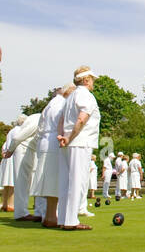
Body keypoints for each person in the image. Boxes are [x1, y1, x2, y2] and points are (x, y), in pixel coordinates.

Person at [57, 66, 101, 230]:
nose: (93, 83)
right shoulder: (85, 95)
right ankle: (71, 221)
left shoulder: (70, 97)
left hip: (68, 142)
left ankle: (63, 218)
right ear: (86, 80)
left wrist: (62, 136)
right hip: (79, 142)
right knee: (77, 180)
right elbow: (82, 119)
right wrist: (69, 137)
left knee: (65, 181)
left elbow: (61, 120)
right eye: (92, 80)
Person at [32, 86, 72, 226]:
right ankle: (51, 216)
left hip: (45, 141)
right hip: (54, 141)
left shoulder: (49, 105)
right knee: (54, 180)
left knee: (47, 180)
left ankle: (46, 213)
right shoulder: (61, 104)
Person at [0, 114, 40, 218]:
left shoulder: (37, 118)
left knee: (26, 182)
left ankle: (23, 211)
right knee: (22, 181)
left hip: (29, 150)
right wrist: (10, 150)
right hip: (22, 150)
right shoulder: (37, 120)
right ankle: (21, 213)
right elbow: (18, 137)